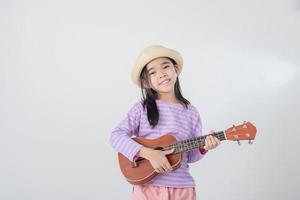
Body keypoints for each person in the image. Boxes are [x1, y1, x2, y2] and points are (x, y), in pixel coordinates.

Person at [109, 45, 221, 200]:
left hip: (182, 189)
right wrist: (149, 153)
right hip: (147, 189)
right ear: (146, 83)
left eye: (165, 67)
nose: (161, 74)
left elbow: (190, 156)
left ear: (175, 69)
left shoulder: (191, 112)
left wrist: (204, 147)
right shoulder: (142, 109)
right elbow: (116, 136)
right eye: (153, 72)